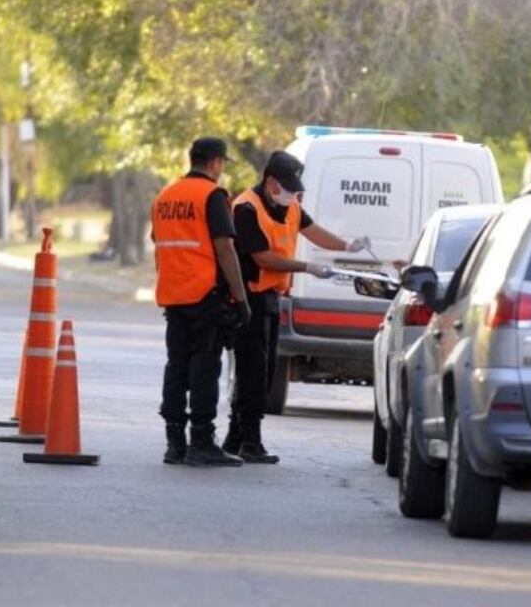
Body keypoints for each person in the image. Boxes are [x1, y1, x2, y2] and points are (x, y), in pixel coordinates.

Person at [223, 150, 371, 463]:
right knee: (253, 372)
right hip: (248, 299)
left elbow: (313, 231)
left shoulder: (289, 207)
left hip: (272, 298)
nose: (293, 195)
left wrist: (347, 246)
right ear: (271, 182)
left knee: (263, 372)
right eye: (288, 189)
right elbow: (262, 257)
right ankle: (250, 441)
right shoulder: (246, 208)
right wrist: (306, 267)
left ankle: (235, 439)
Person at [151, 136, 252, 467]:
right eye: (223, 164)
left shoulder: (165, 196)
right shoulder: (212, 196)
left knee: (176, 368)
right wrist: (240, 297)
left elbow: (160, 243)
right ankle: (202, 442)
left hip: (173, 296)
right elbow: (224, 248)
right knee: (205, 369)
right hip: (205, 297)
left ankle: (174, 443)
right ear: (215, 163)